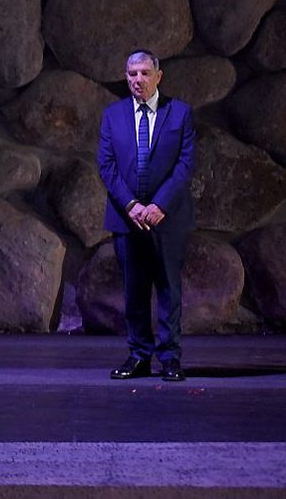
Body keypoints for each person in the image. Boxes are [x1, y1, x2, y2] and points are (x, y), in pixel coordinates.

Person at [97, 50, 195, 382]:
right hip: (128, 220)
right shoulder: (113, 115)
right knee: (134, 291)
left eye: (143, 73)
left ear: (158, 76)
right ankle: (139, 355)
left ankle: (170, 357)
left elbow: (184, 165)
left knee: (169, 288)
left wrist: (159, 206)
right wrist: (132, 206)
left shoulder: (179, 114)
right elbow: (106, 167)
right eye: (131, 74)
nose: (137, 79)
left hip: (167, 219)